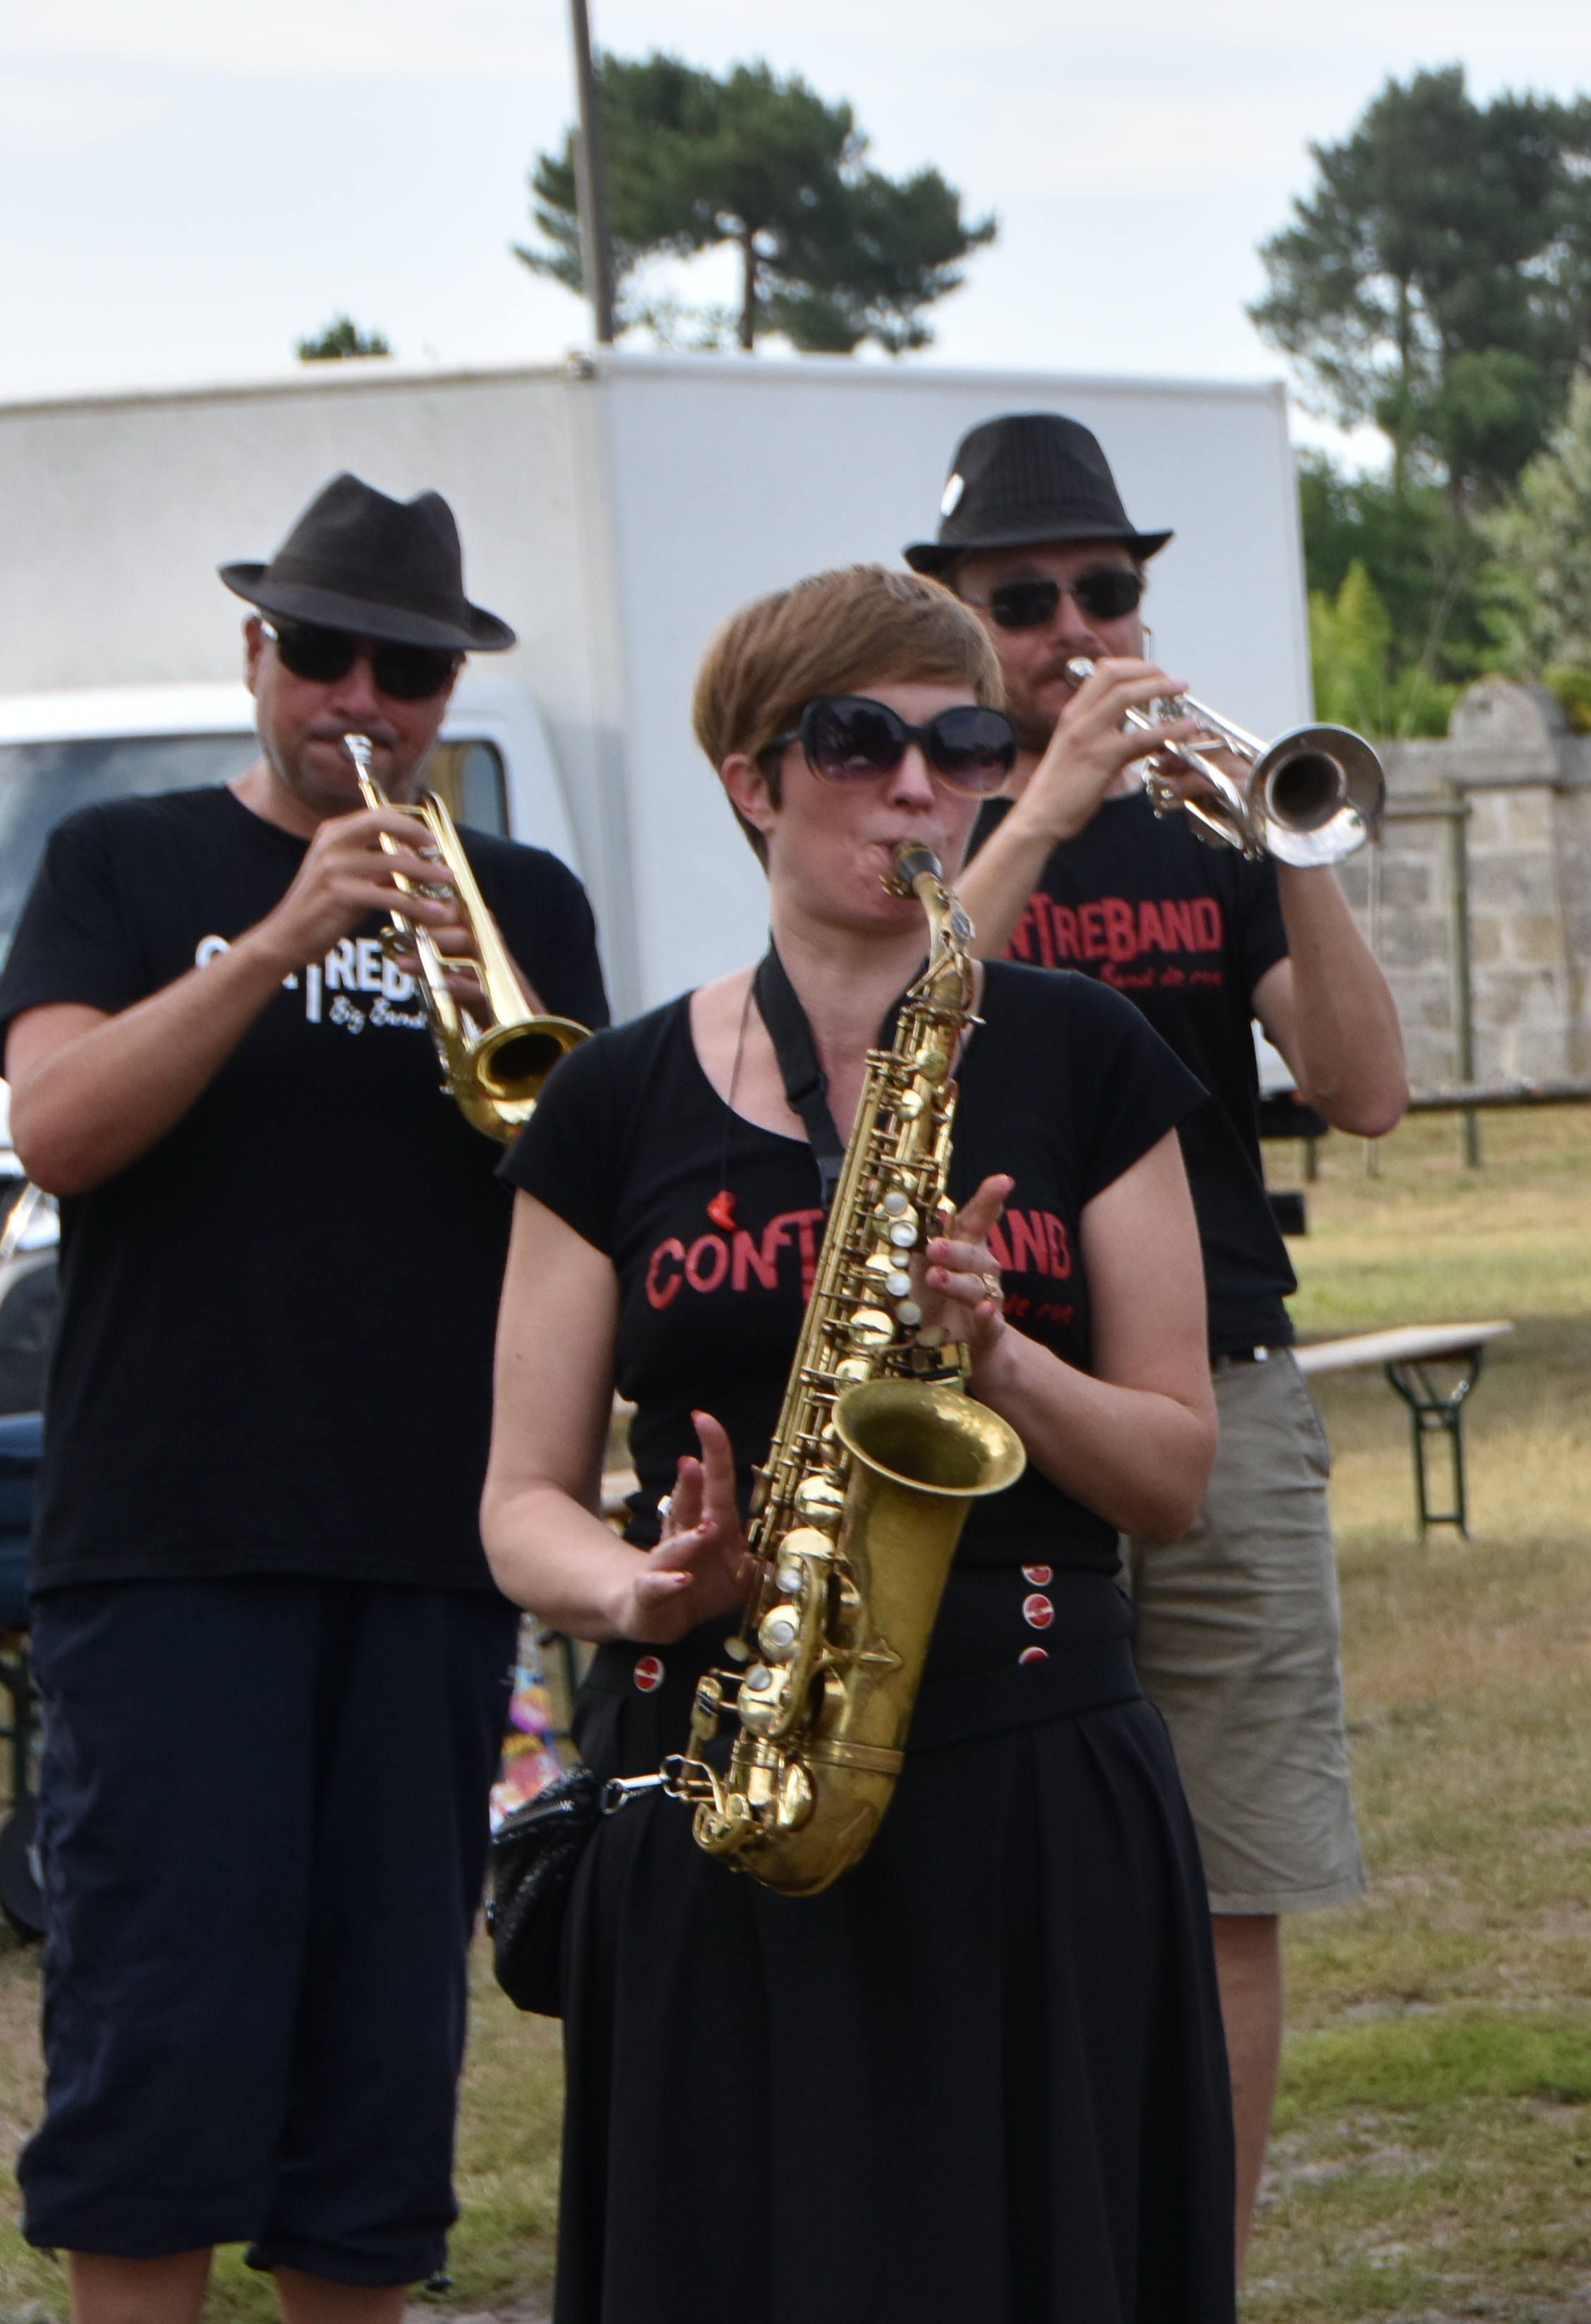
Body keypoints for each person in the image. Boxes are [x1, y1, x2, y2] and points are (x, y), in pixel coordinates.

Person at [480, 564, 1235, 2324]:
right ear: (752, 777)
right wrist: (643, 1584)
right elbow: (518, 1499)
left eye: (962, 744)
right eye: (859, 741)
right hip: (728, 1784)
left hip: (1030, 1778)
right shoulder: (615, 1101)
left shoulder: (1085, 1056)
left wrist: (1006, 1360)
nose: (918, 786)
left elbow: (1176, 1473)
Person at [0, 474, 607, 2324]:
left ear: (446, 691)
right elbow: (58, 1131)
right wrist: (277, 942)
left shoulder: (524, 904)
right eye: (328, 654)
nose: (366, 699)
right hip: (171, 1543)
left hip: (424, 1535)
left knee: (380, 2051)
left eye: (408, 669)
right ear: (256, 653)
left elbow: (572, 1191)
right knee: (162, 2027)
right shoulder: (129, 868)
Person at [902, 411, 1411, 2263]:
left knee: (1229, 1881)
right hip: (963, 1383)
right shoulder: (905, 803)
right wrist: (1035, 806)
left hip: (1220, 1378)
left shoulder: (1210, 839)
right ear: (953, 610)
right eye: (1024, 597)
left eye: (1105, 590)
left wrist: (1292, 835)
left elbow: (1366, 1088)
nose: (1071, 627)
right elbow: (893, 1021)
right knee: (974, 1845)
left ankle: (1187, 2269)